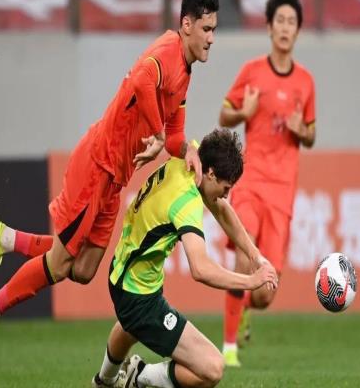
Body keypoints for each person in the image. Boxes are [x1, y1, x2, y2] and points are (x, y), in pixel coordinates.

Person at [0, 0, 220, 361]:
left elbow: (174, 138)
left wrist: (189, 151)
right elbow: (142, 80)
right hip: (97, 166)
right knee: (59, 264)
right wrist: (156, 132)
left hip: (114, 179)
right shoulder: (167, 52)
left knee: (84, 270)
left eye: (214, 30)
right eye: (207, 29)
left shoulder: (185, 72)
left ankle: (5, 238)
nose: (211, 38)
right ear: (187, 24)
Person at [91, 128, 278, 388]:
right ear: (211, 174)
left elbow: (222, 210)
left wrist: (255, 256)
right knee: (212, 368)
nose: (226, 195)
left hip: (122, 273)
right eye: (225, 188)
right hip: (138, 296)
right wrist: (251, 281)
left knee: (129, 324)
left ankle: (104, 381)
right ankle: (139, 375)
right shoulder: (186, 201)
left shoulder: (192, 156)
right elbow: (200, 269)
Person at [218, 0, 316, 367]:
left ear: (298, 31)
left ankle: (245, 307)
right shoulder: (252, 72)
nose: (285, 28)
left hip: (282, 193)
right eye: (280, 21)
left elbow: (311, 134)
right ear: (270, 27)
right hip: (250, 182)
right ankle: (228, 349)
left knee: (264, 292)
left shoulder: (305, 82)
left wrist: (301, 130)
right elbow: (224, 114)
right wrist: (244, 113)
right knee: (244, 261)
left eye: (292, 22)